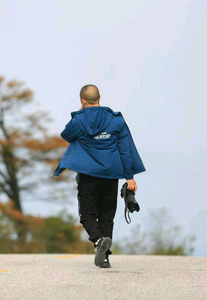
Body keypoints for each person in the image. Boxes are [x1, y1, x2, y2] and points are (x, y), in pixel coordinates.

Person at [52, 84, 146, 268]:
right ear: (100, 97)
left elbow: (66, 135)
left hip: (88, 176)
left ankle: (98, 241)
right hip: (111, 175)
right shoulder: (116, 120)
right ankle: (104, 257)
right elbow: (125, 151)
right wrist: (130, 177)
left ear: (82, 101)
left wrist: (79, 114)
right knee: (106, 216)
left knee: (87, 214)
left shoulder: (79, 121)